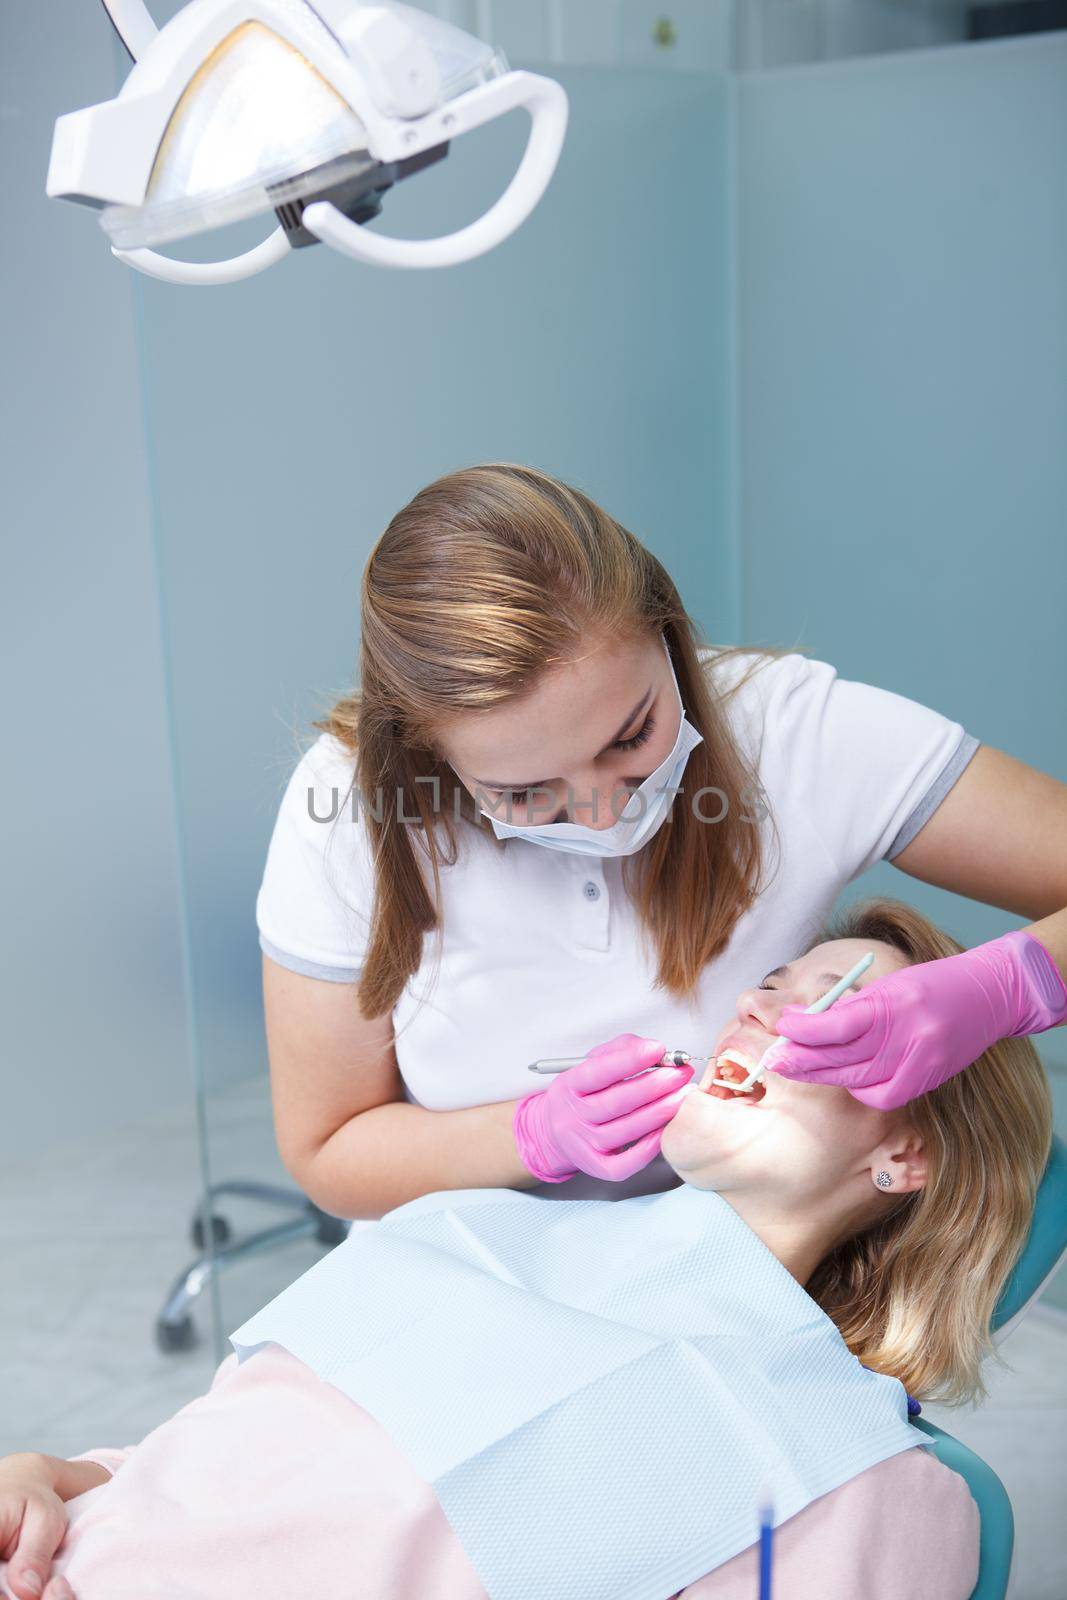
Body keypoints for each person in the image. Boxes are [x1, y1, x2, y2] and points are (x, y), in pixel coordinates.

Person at [0, 900, 1052, 1600]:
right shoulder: (459, 1226)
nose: (758, 1004)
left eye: (833, 1003)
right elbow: (226, 1461)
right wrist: (52, 1476)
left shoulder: (852, 1479)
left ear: (905, 1153)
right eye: (768, 981)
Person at [255, 461, 1067, 1216]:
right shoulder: (349, 806)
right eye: (524, 792)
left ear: (669, 634)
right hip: (463, 1285)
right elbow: (329, 1150)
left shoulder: (792, 733)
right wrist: (529, 1135)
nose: (606, 813)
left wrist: (1008, 986)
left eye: (631, 735)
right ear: (426, 755)